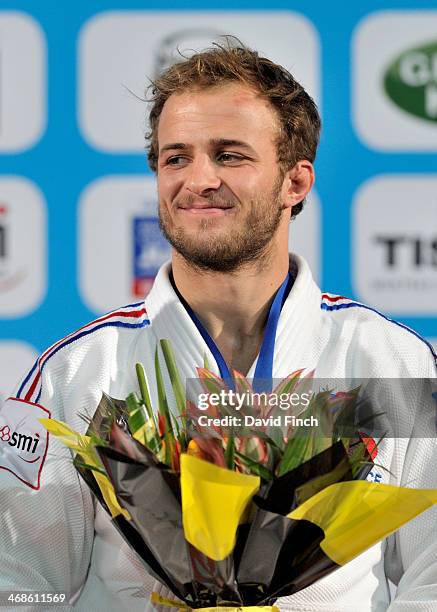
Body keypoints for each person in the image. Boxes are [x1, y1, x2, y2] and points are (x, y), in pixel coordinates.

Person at [1, 42, 436, 612]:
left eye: (229, 155)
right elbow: (25, 588)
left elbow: (431, 576)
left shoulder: (391, 360)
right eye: (176, 157)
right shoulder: (75, 371)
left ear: (295, 183)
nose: (198, 179)